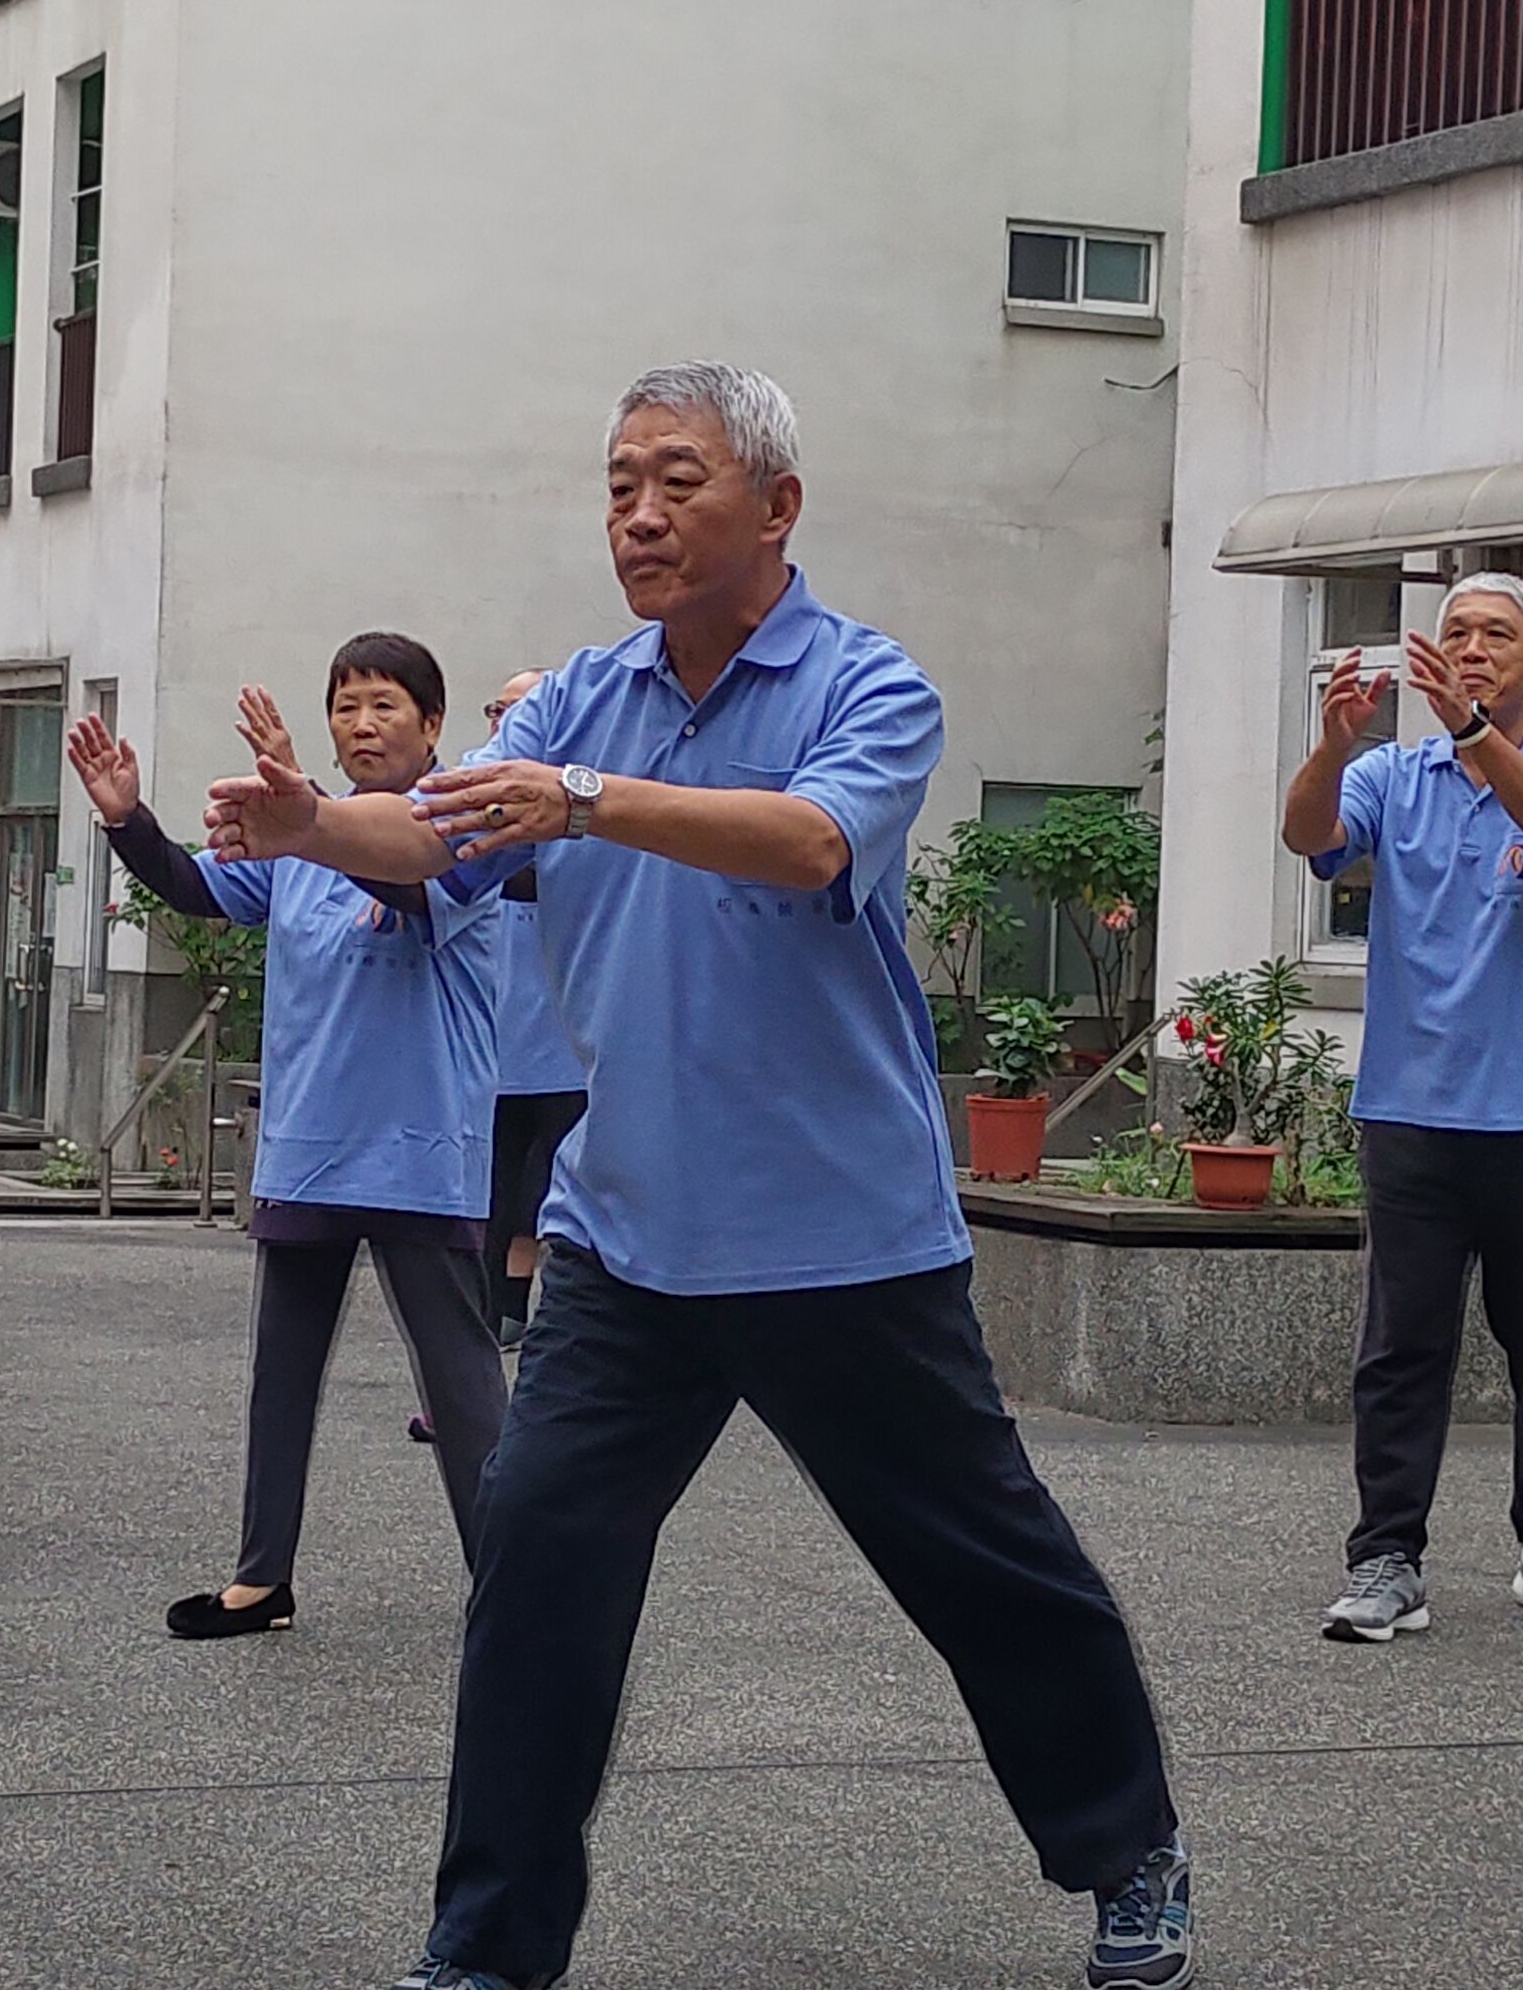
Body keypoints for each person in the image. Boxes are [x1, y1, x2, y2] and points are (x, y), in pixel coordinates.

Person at [206, 365, 1193, 1990]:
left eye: (678, 481)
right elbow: (443, 841)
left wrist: (584, 799)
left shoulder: (866, 685)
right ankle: (488, 1948)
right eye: (618, 487)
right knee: (538, 1569)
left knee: (987, 1565)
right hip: (627, 1244)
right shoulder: (583, 692)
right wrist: (317, 824)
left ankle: (1126, 1847)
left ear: (777, 507)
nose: (641, 516)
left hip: (840, 1243)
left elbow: (810, 841)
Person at [70, 638, 510, 1643]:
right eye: (346, 706)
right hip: (311, 1143)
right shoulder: (299, 848)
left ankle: (513, 1585)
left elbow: (408, 887)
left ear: (431, 726)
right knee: (281, 1374)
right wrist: (126, 818)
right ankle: (261, 1578)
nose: (363, 724)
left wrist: (309, 821)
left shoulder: (458, 830)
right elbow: (191, 886)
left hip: (418, 1152)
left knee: (462, 1383)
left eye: (385, 706)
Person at [1281, 569, 1523, 1642]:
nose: (1472, 648)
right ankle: (1387, 1556)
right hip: (1414, 1105)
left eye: (1495, 634)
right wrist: (1335, 745)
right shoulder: (1396, 772)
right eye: (1457, 634)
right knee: (1403, 1348)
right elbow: (1308, 840)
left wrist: (1480, 734)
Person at [472, 668, 582, 1349]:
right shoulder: (469, 802)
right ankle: (490, 1317)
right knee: (489, 1195)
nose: (503, 724)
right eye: (497, 710)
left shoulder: (577, 811)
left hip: (569, 1048)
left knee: (554, 1197)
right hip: (492, 1044)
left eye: (520, 710)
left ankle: (555, 1322)